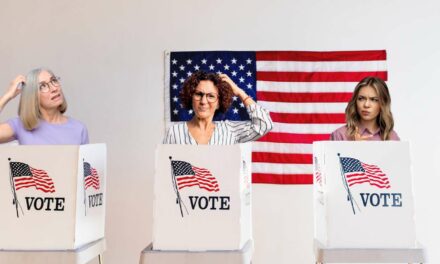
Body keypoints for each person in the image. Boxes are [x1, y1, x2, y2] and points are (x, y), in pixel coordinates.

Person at [164, 71, 273, 145]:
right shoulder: (175, 132)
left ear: (219, 103)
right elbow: (165, 170)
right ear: (190, 97)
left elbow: (264, 124)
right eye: (198, 94)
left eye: (211, 96)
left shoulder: (230, 130)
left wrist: (239, 92)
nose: (203, 101)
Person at [0, 68, 89, 145]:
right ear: (33, 96)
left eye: (54, 80)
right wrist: (7, 96)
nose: (54, 89)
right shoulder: (20, 125)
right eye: (43, 86)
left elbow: (87, 163)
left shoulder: (79, 128)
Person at [330, 76, 399, 141]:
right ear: (355, 101)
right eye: (361, 99)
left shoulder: (392, 137)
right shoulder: (339, 135)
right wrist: (354, 148)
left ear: (383, 103)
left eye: (373, 99)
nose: (366, 105)